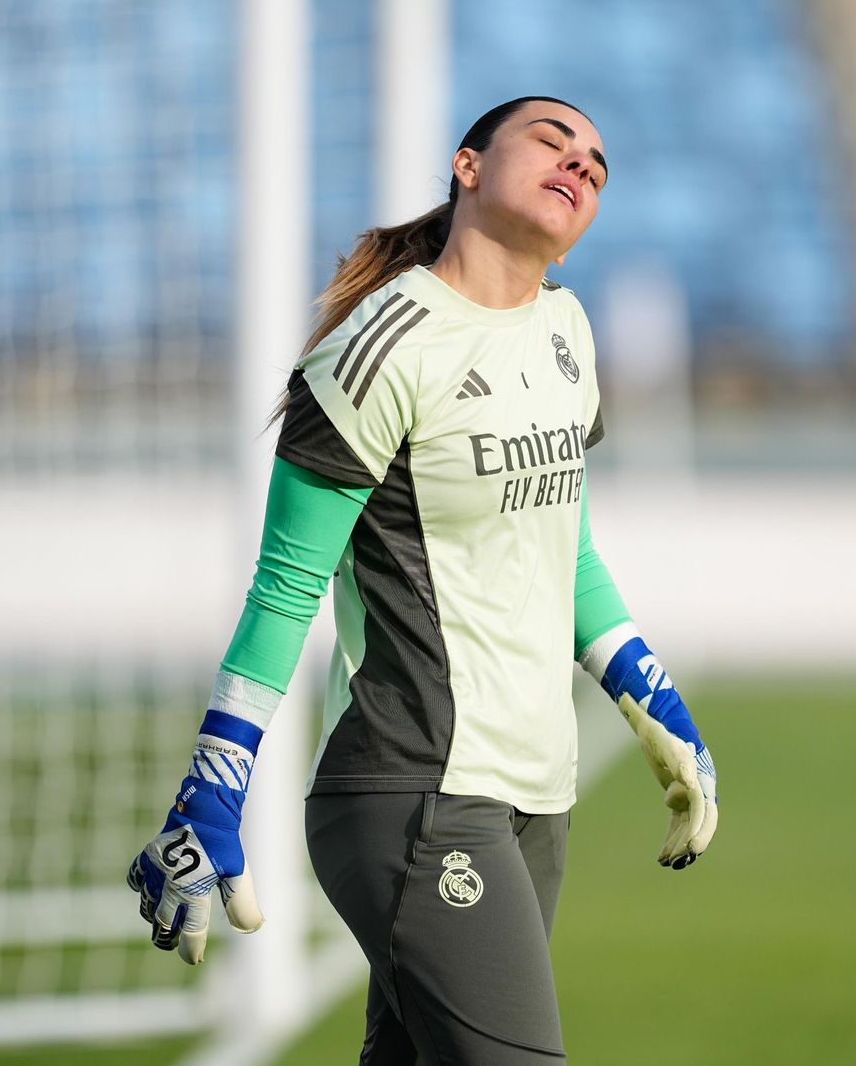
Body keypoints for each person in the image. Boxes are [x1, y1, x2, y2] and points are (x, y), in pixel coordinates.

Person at [127, 95, 718, 1064]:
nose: (579, 163)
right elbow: (283, 590)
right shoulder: (375, 349)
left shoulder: (568, 336)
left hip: (537, 798)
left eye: (598, 166)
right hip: (415, 792)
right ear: (468, 166)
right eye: (551, 140)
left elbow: (564, 554)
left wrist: (657, 704)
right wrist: (211, 789)